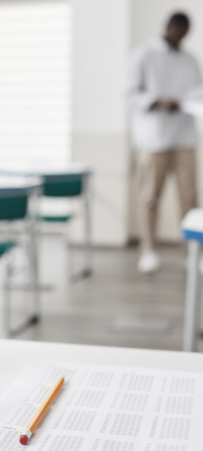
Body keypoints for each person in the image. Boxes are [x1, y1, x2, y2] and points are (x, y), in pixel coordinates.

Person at [126, 12, 202, 274]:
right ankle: (148, 250)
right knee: (150, 198)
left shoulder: (190, 60)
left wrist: (184, 103)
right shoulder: (143, 55)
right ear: (169, 27)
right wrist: (158, 102)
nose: (180, 38)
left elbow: (198, 92)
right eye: (178, 32)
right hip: (153, 138)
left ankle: (192, 254)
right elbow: (130, 95)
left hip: (184, 137)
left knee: (190, 199)